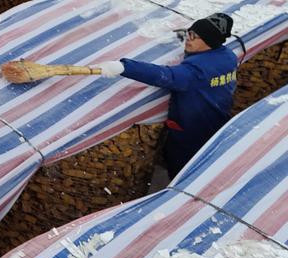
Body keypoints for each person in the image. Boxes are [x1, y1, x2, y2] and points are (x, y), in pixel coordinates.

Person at [96, 12, 237, 178]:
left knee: (183, 172)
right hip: (217, 120)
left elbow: (165, 75)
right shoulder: (227, 56)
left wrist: (123, 67)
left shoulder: (197, 71)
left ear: (210, 42)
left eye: (195, 36)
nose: (188, 38)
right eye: (188, 33)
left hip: (192, 132)